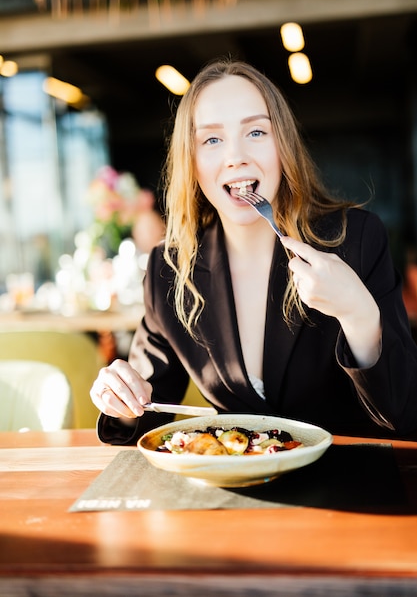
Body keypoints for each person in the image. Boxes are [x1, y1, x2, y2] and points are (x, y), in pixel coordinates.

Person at [90, 58, 417, 445]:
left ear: (284, 145)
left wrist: (358, 314)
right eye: (212, 139)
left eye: (257, 132)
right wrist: (121, 398)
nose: (235, 156)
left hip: (348, 487)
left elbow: (408, 414)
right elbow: (148, 407)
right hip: (235, 494)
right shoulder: (170, 268)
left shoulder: (357, 240)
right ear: (191, 163)